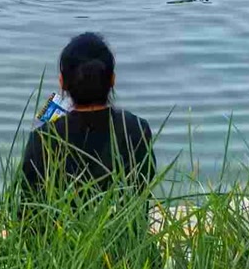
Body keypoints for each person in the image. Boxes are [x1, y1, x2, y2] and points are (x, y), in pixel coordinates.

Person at [22, 33, 154, 198]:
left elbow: (25, 203)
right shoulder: (137, 129)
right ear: (112, 80)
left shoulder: (43, 138)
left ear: (62, 82)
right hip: (123, 216)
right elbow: (143, 189)